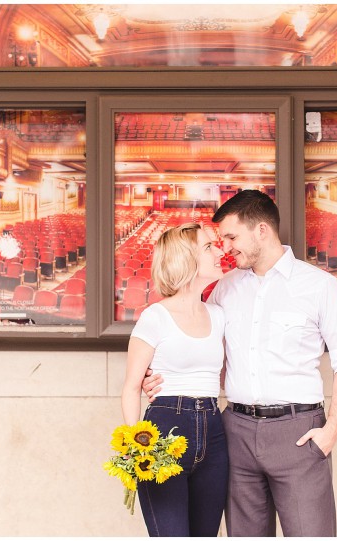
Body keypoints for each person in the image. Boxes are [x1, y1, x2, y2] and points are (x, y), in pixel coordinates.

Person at [143, 190, 337, 537]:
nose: (226, 247)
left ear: (261, 230)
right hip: (235, 434)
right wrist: (161, 379)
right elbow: (197, 349)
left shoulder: (319, 286)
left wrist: (330, 432)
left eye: (232, 237)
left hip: (299, 433)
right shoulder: (223, 289)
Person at [121, 222, 229, 537]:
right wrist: (136, 445)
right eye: (209, 247)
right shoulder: (154, 318)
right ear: (186, 259)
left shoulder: (219, 316)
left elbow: (223, 377)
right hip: (165, 430)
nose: (219, 251)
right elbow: (130, 387)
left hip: (214, 433)